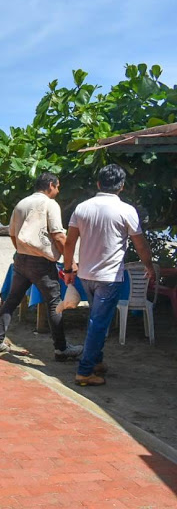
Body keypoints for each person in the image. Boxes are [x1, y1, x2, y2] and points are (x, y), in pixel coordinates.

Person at [63, 164, 154, 387]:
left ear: (98, 184)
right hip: (109, 276)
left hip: (86, 274)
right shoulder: (126, 210)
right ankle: (84, 372)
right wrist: (149, 265)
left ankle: (95, 362)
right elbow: (140, 245)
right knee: (98, 323)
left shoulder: (82, 208)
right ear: (121, 186)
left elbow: (69, 243)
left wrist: (68, 270)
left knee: (97, 321)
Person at [0, 172, 83, 361]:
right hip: (42, 262)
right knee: (54, 303)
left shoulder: (21, 204)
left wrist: (23, 250)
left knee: (12, 300)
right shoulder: (50, 204)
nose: (58, 190)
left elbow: (13, 235)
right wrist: (70, 261)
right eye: (57, 186)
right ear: (50, 185)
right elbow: (58, 236)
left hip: (21, 259)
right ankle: (61, 349)